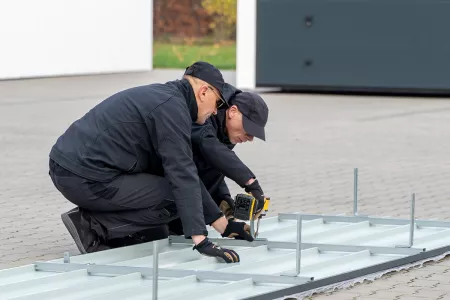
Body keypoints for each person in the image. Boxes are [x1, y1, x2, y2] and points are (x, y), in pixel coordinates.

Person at [48, 61, 254, 263]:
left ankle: (110, 227)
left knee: (159, 228)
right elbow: (182, 176)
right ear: (203, 92)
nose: (216, 111)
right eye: (217, 102)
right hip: (82, 176)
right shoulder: (173, 110)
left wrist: (225, 227)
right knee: (175, 197)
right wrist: (201, 241)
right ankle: (93, 225)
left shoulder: (169, 99)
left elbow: (186, 175)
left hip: (74, 167)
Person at [166, 83, 269, 236]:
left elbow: (215, 165)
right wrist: (251, 183)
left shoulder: (225, 131)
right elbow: (210, 149)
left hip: (179, 193)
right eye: (249, 129)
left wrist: (224, 202)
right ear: (233, 111)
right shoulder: (205, 112)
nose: (250, 138)